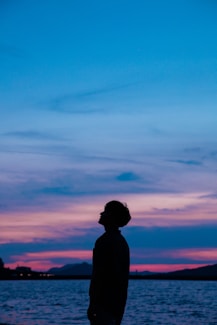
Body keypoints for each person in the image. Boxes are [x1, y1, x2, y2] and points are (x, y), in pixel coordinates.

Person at [87, 200, 131, 325]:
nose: (101, 213)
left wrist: (93, 303)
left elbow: (99, 275)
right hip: (115, 305)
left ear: (112, 216)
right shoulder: (120, 242)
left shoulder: (106, 241)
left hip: (105, 305)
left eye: (105, 211)